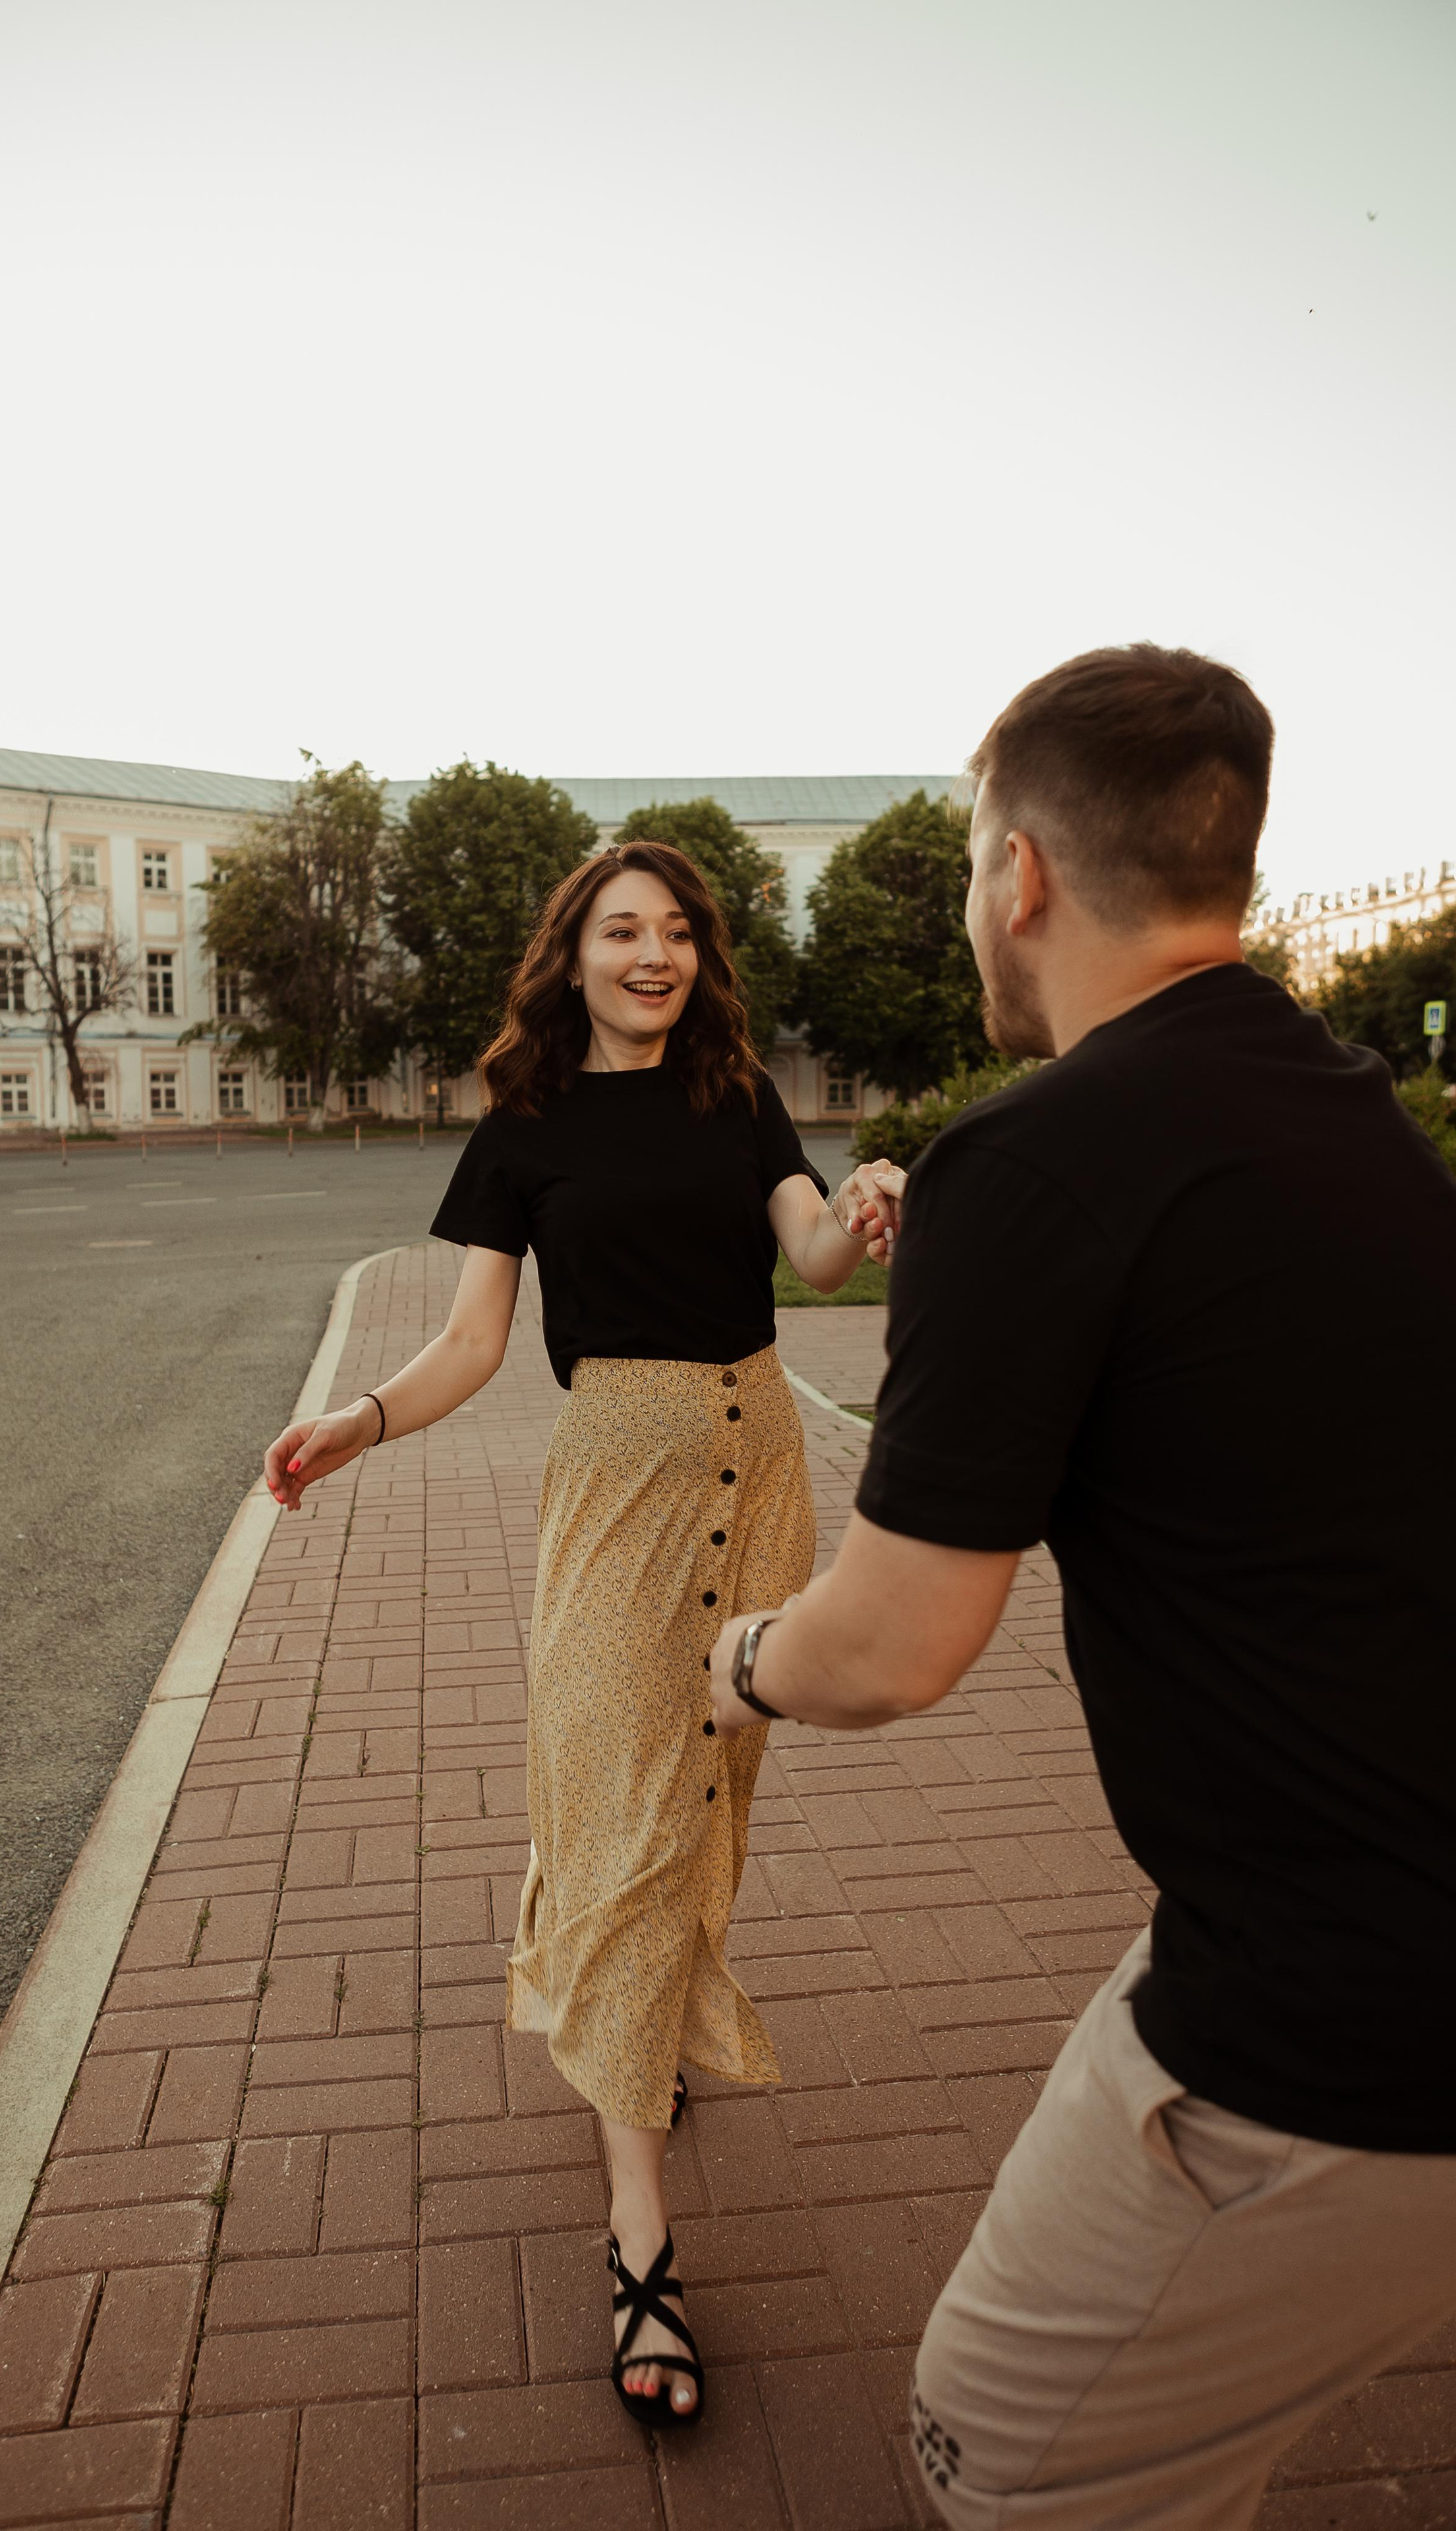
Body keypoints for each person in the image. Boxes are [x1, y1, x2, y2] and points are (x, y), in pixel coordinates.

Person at [708, 644, 1456, 2528]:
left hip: (1336, 2020)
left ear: (1020, 874)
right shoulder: (1356, 1116)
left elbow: (894, 1649)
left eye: (970, 863)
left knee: (1001, 2460)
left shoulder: (1035, 1161)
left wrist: (743, 1663)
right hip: (1346, 1913)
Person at [264, 838, 896, 2427]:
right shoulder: (522, 1128)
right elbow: (475, 1342)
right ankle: (640, 2244)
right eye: (623, 931)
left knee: (703, 1802)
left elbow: (809, 1257)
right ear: (574, 955)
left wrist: (872, 1194)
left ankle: (632, 2010)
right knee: (621, 1807)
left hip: (762, 1473)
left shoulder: (736, 1096)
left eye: (677, 933)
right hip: (616, 1486)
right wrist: (360, 1417)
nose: (653, 955)